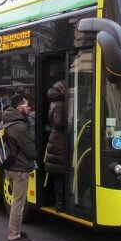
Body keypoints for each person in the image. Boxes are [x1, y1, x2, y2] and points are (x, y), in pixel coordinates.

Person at [3, 94, 37, 241]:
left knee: (17, 202)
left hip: (10, 167)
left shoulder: (7, 122)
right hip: (19, 169)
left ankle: (16, 230)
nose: (29, 108)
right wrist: (36, 154)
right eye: (27, 105)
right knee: (18, 203)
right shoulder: (19, 127)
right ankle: (13, 235)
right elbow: (30, 151)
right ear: (19, 108)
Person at [44, 80, 66, 210]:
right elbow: (59, 123)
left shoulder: (53, 102)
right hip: (60, 142)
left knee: (58, 175)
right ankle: (60, 203)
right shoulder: (61, 104)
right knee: (60, 174)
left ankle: (59, 202)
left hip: (54, 140)